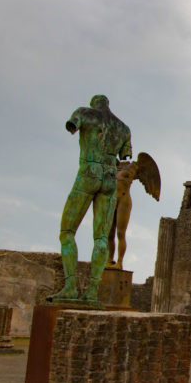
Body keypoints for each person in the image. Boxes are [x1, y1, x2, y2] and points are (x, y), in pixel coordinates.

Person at [48, 95, 131, 305]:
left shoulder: (84, 113)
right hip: (110, 178)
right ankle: (92, 292)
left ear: (94, 103)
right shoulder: (123, 128)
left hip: (89, 171)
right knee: (101, 238)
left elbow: (71, 126)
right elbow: (125, 156)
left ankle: (70, 287)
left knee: (67, 232)